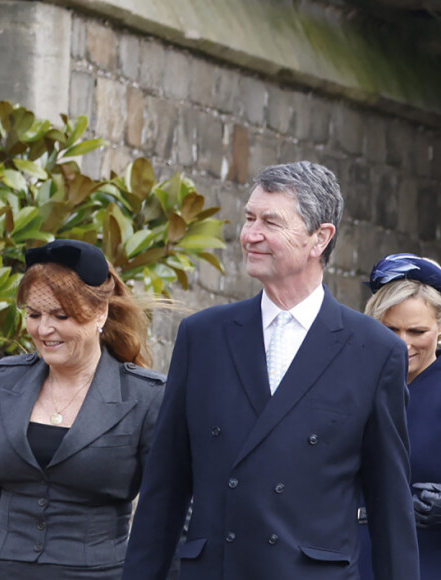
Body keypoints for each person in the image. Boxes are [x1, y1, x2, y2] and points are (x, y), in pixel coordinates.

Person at [121, 161, 420, 580]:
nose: (250, 235)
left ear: (320, 238)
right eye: (248, 218)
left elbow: (390, 508)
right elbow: (164, 490)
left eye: (270, 222)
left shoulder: (374, 351)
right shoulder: (203, 336)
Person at [0, 239, 166, 580]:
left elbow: (167, 514)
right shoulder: (4, 382)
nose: (43, 329)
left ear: (100, 313)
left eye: (60, 316)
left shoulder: (146, 396)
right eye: (34, 314)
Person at [358, 252, 441, 579]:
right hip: (348, 562)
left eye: (416, 331)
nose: (401, 343)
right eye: (390, 329)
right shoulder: (348, 385)